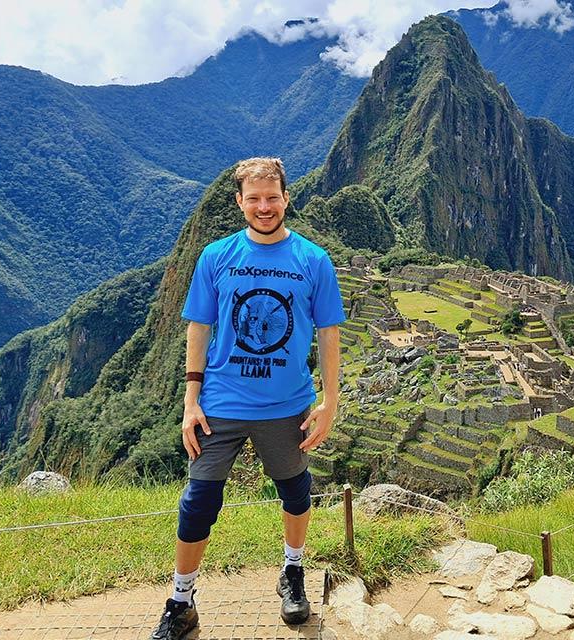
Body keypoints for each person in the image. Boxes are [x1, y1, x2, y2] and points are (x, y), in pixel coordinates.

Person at [151, 157, 345, 639]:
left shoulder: (312, 260)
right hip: (220, 403)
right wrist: (190, 400)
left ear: (286, 198)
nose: (264, 207)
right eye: (254, 198)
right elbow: (199, 327)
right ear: (239, 201)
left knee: (295, 491)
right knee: (198, 501)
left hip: (287, 404)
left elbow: (329, 334)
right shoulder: (217, 257)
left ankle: (293, 571)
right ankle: (181, 599)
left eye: (272, 197)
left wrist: (330, 401)